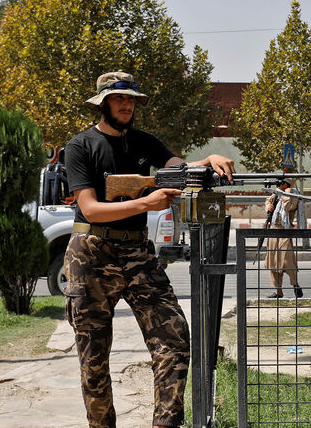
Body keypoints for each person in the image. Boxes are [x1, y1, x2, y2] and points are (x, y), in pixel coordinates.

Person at [63, 71, 235, 428]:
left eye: (131, 100)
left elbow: (179, 168)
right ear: (102, 103)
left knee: (174, 341)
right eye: (118, 98)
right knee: (94, 362)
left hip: (138, 253)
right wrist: (146, 203)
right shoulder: (80, 146)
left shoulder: (145, 142)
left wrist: (208, 161)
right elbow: (91, 208)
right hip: (90, 254)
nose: (126, 105)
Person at [265, 179, 302, 298]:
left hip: (285, 231)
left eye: (280, 184)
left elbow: (287, 207)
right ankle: (278, 291)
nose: (278, 186)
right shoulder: (276, 195)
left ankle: (295, 284)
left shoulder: (293, 195)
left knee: (287, 260)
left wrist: (286, 194)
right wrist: (268, 207)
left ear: (285, 185)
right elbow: (267, 203)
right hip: (273, 230)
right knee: (273, 262)